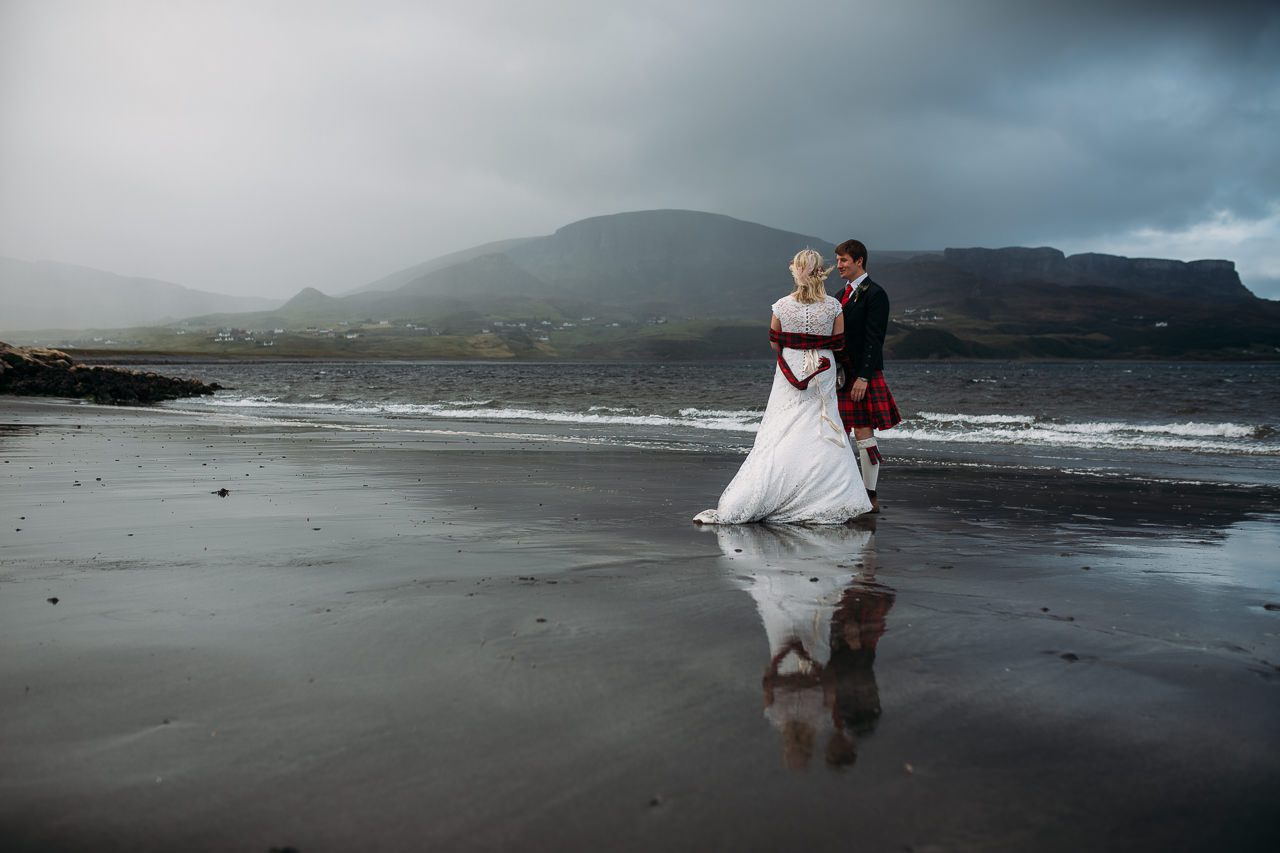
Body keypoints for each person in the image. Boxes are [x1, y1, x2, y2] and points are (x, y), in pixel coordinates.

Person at [694, 249, 872, 524]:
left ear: (797, 272)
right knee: (821, 425)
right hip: (822, 368)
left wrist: (797, 347)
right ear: (819, 271)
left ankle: (778, 485)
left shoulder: (781, 305)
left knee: (784, 424)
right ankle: (827, 493)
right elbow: (838, 342)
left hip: (789, 366)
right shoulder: (833, 306)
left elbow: (775, 343)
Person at [833, 239, 902, 513]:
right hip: (839, 374)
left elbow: (875, 339)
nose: (838, 265)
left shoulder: (875, 294)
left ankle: (870, 495)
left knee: (863, 432)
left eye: (843, 261)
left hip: (861, 373)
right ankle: (844, 490)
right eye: (837, 260)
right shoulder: (839, 295)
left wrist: (864, 377)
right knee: (837, 432)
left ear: (859, 261)